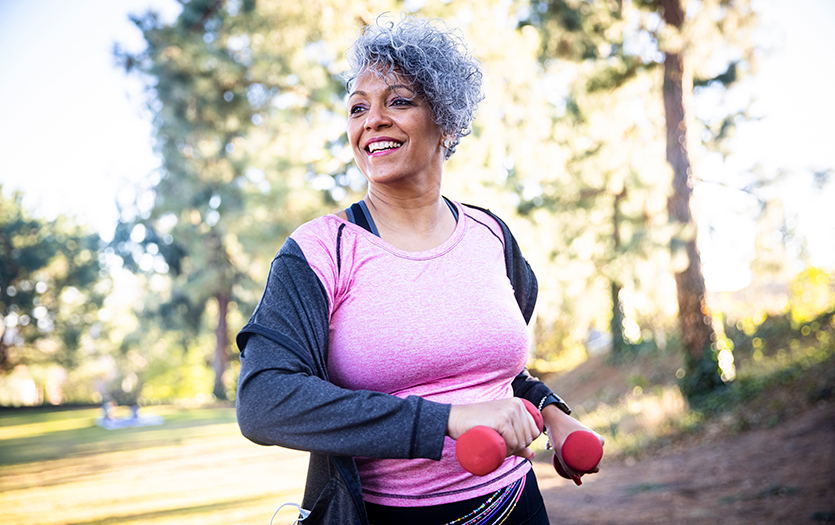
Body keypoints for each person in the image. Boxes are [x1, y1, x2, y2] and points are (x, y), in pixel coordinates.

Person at [236, 15, 601, 525]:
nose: (372, 120)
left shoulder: (492, 236)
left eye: (399, 101)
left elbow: (493, 370)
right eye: (358, 108)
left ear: (445, 121)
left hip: (517, 506)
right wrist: (447, 421)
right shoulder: (321, 250)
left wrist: (552, 412)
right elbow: (263, 400)